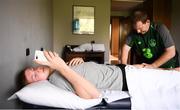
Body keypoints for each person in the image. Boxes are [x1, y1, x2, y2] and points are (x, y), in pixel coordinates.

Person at [23, 51, 180, 100]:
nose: (36, 71)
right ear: (35, 84)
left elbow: (86, 72)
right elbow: (91, 95)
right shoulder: (56, 79)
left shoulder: (57, 69)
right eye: (34, 77)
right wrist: (63, 67)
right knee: (172, 76)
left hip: (120, 70)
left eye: (33, 69)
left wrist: (80, 61)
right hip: (125, 79)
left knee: (170, 71)